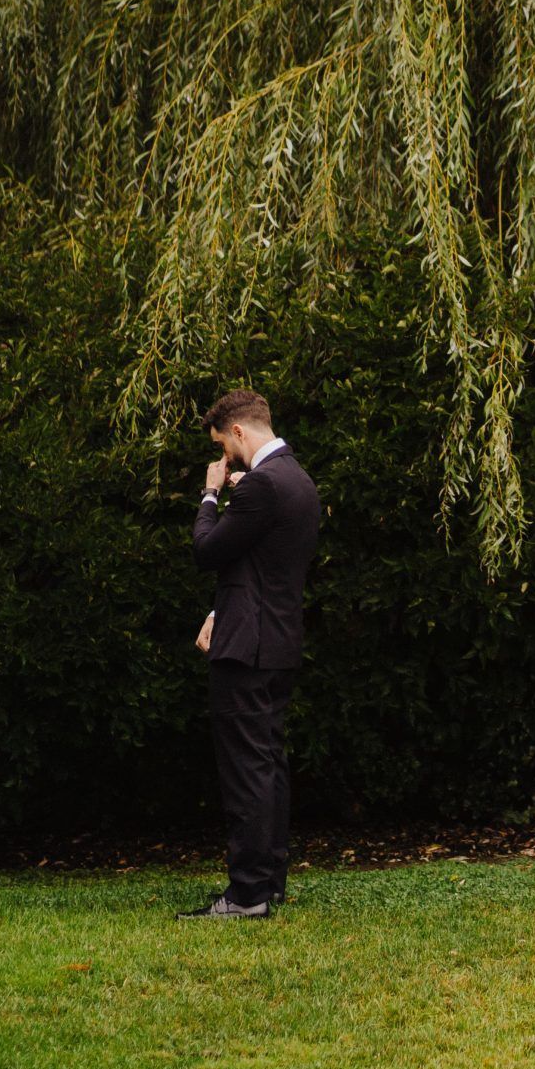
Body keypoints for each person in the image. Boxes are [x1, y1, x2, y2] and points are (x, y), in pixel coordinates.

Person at [181, 389, 320, 920]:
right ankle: (269, 881)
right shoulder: (297, 480)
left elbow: (207, 550)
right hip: (277, 640)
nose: (223, 458)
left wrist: (212, 495)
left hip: (248, 649)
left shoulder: (261, 486)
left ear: (238, 432)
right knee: (268, 764)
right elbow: (263, 566)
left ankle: (246, 894)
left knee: (246, 771)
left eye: (223, 446)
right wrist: (221, 611)